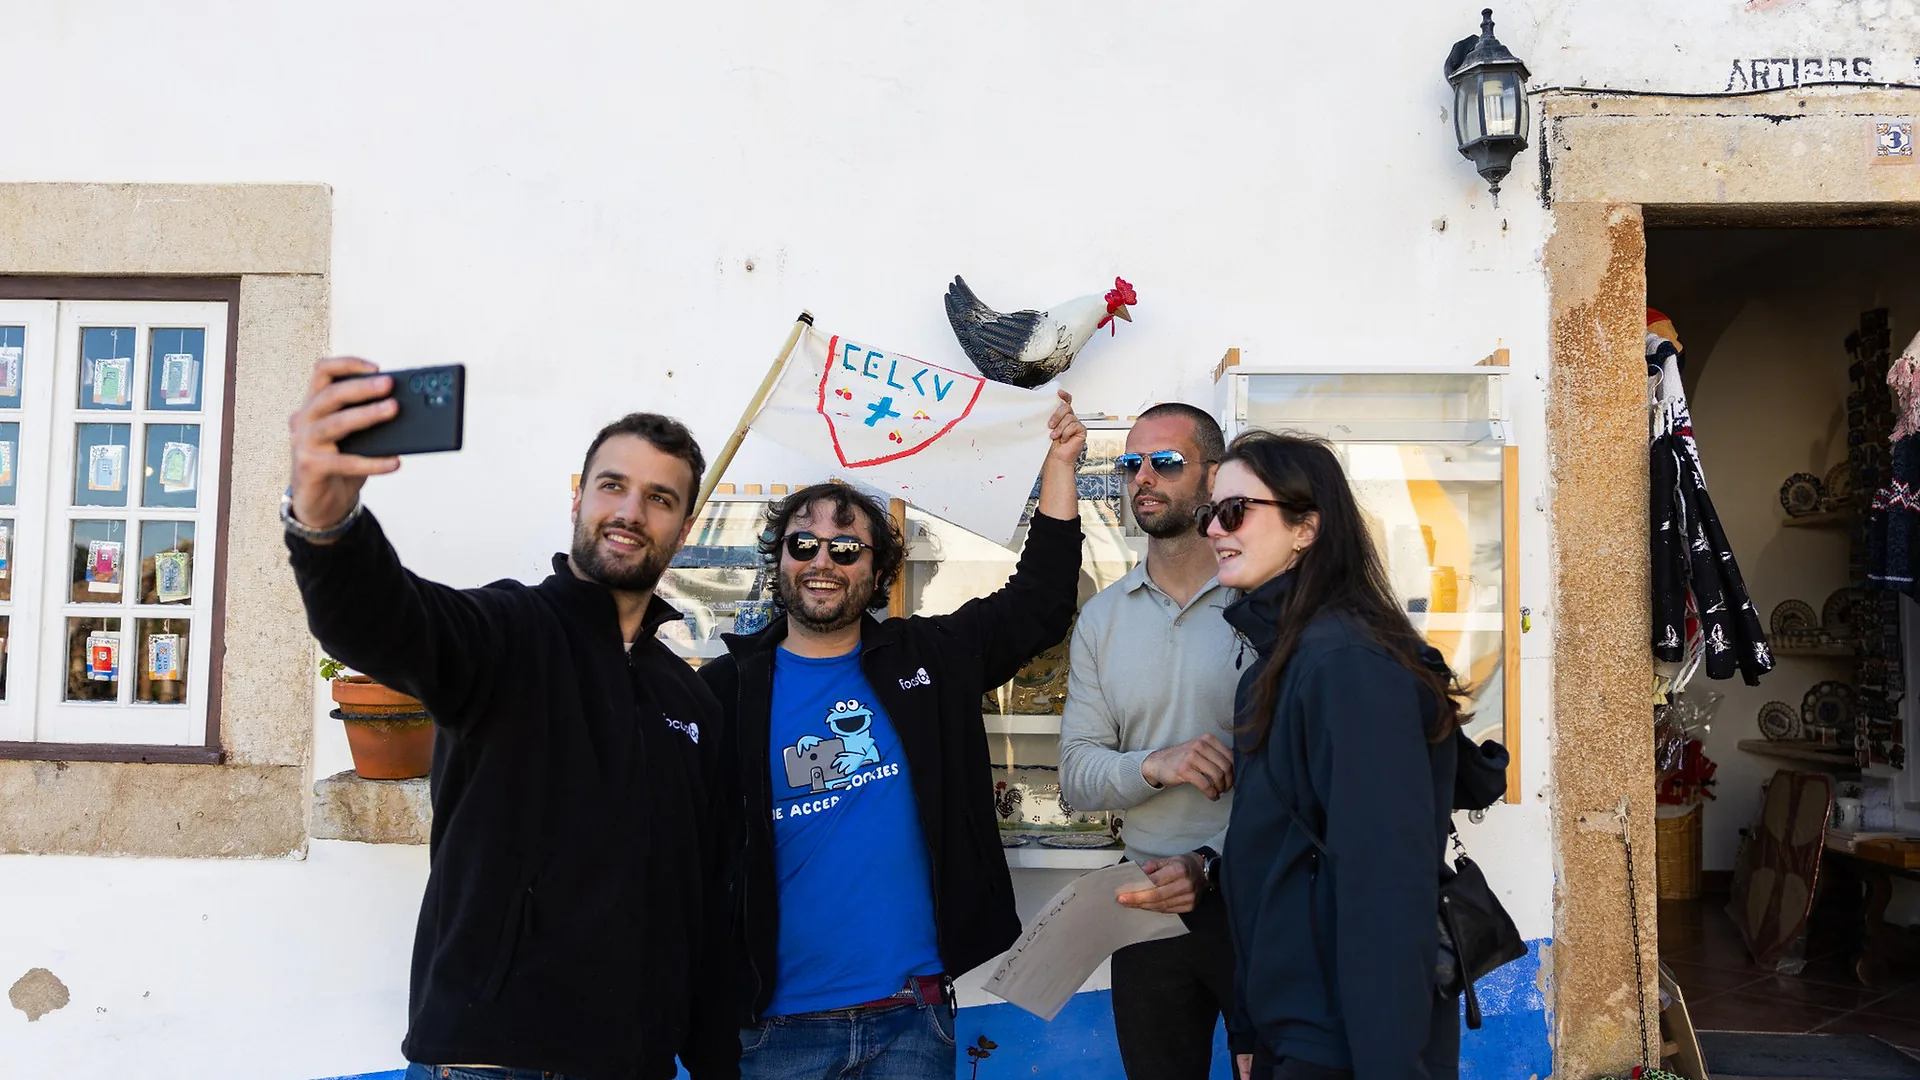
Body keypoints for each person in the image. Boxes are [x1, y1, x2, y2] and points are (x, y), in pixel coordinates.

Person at [284, 358, 738, 1080]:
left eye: (658, 498)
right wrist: (325, 520)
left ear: (683, 531)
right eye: (612, 486)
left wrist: (715, 1063)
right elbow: (381, 619)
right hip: (489, 1062)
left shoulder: (691, 703)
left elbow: (702, 902)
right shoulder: (505, 633)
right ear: (578, 500)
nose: (629, 511)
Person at [698, 391, 1087, 1079]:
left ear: (878, 571)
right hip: (770, 1031)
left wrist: (1060, 464)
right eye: (804, 543)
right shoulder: (722, 691)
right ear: (779, 560)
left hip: (910, 1017)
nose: (824, 560)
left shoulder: (928, 659)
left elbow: (1042, 600)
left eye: (847, 547)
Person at [1205, 431, 1464, 1080]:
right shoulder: (1276, 665)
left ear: (1305, 529)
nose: (1213, 529)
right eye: (1212, 511)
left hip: (1344, 1038)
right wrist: (1249, 1023)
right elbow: (1264, 856)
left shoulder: (1346, 663)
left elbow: (1385, 883)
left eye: (1235, 511)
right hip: (1292, 1025)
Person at [1058, 402, 1248, 1079]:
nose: (1144, 477)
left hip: (1260, 897)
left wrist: (1212, 861)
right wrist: (1156, 765)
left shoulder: (1264, 603)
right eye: (1130, 463)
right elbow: (1077, 778)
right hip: (1145, 905)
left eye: (1166, 461)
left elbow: (1304, 771)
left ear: (1215, 476)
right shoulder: (1102, 619)